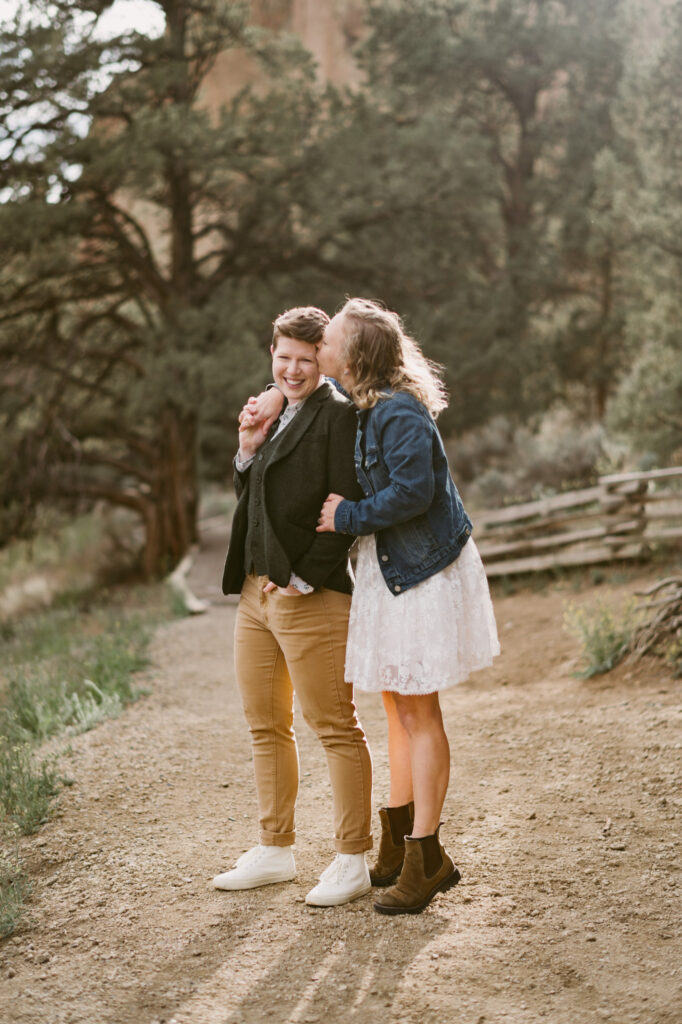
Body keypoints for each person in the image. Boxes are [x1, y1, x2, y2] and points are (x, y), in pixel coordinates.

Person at [314, 298, 500, 915]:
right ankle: (397, 845)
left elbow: (414, 493)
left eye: (329, 339)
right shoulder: (368, 409)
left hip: (421, 573)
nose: (321, 345)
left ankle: (427, 855)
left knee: (419, 712)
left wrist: (348, 515)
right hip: (392, 573)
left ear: (356, 354)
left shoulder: (399, 412)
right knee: (397, 706)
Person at [214, 306, 373, 908]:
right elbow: (254, 499)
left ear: (323, 359)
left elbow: (347, 503)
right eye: (284, 357)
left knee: (334, 726)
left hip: (313, 593)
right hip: (255, 593)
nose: (294, 369)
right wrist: (246, 451)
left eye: (306, 359)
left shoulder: (338, 417)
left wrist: (306, 575)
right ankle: (275, 850)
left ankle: (352, 857)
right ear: (272, 354)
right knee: (264, 725)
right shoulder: (273, 413)